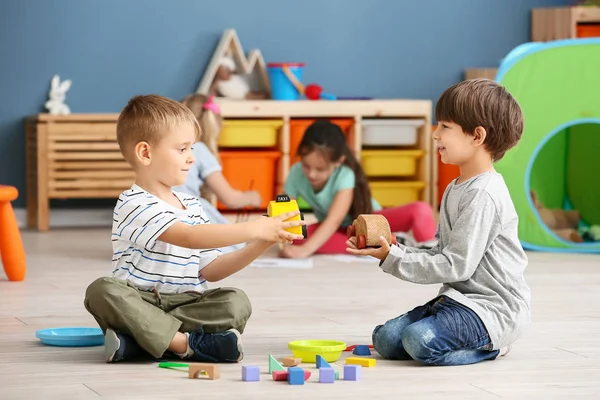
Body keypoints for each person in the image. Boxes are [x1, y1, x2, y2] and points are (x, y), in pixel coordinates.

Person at [83, 94, 305, 364]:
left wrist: (263, 242)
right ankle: (184, 343)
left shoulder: (192, 204)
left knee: (236, 301)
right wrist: (254, 229)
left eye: (193, 149)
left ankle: (140, 341)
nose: (191, 159)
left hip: (187, 304)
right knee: (103, 291)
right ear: (145, 153)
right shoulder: (133, 203)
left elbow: (212, 270)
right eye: (183, 149)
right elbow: (188, 237)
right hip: (141, 301)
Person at [346, 79, 531, 366]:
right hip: (458, 300)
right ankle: (460, 333)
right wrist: (393, 250)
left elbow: (456, 265)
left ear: (477, 136)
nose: (435, 134)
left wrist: (393, 259)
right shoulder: (456, 188)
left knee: (417, 342)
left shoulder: (484, 195)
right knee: (385, 339)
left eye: (445, 127)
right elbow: (440, 252)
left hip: (491, 310)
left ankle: (494, 345)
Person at [280, 119, 437, 259]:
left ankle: (430, 255)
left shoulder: (345, 175)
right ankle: (387, 244)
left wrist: (306, 250)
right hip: (342, 232)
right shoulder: (296, 172)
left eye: (320, 169)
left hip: (370, 222)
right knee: (295, 236)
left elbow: (333, 221)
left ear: (339, 161)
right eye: (307, 166)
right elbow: (285, 214)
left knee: (420, 210)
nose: (312, 174)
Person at [174, 94, 261, 253]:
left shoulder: (165, 147)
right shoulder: (198, 149)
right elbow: (231, 199)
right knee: (235, 246)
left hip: (157, 213)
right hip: (185, 214)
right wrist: (252, 197)